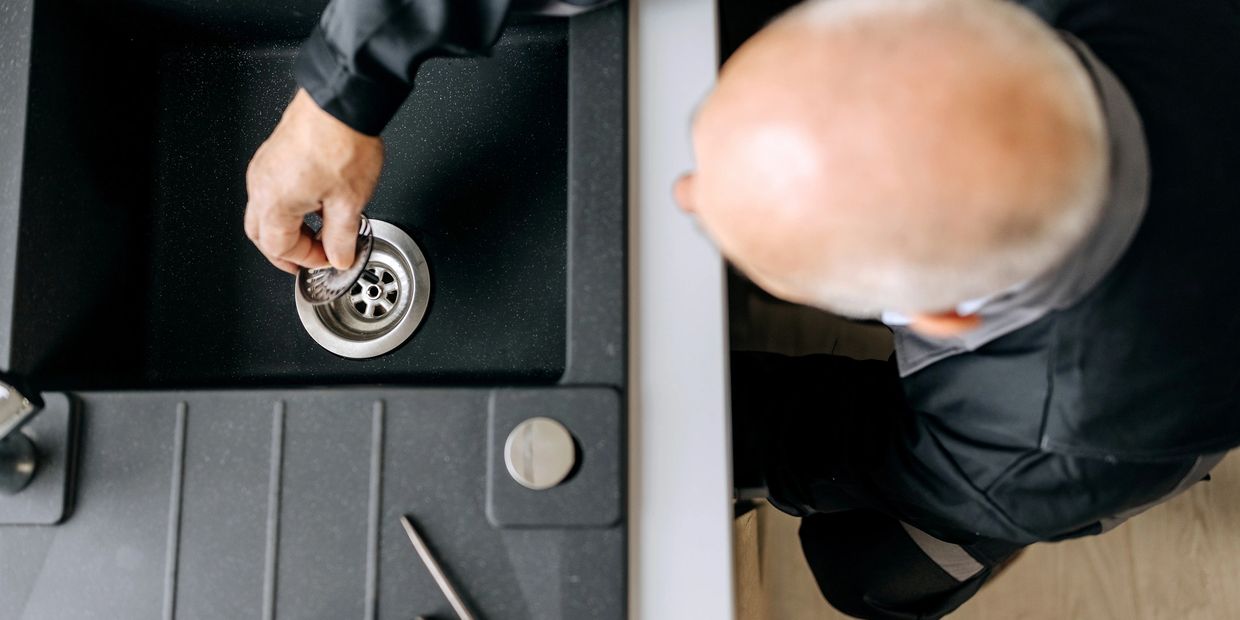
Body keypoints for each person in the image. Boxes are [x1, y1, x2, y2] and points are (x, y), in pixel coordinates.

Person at [245, 0, 1240, 617]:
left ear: (933, 314)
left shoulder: (1057, 442)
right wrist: (339, 92)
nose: (676, 195)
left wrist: (656, 428)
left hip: (1143, 377)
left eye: (725, 222)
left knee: (873, 570)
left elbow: (848, 441)